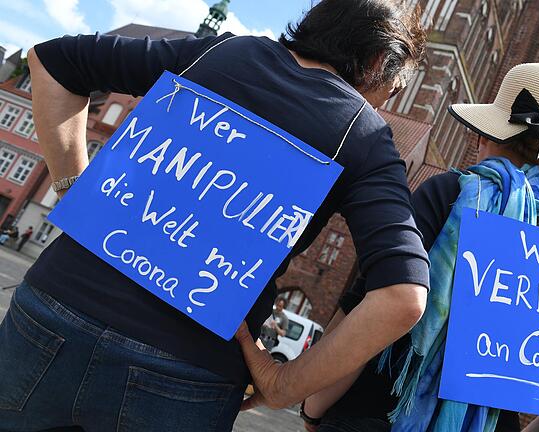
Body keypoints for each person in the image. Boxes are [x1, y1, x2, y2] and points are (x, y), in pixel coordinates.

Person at [0, 1, 430, 430]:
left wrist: (74, 191)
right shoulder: (365, 134)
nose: (386, 98)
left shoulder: (221, 53)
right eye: (393, 87)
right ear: (378, 62)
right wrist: (285, 384)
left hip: (54, 307)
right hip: (186, 370)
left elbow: (52, 60)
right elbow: (403, 296)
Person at [297, 63, 539, 432]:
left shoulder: (449, 195)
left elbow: (370, 309)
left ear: (486, 137)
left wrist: (313, 407)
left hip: (373, 416)